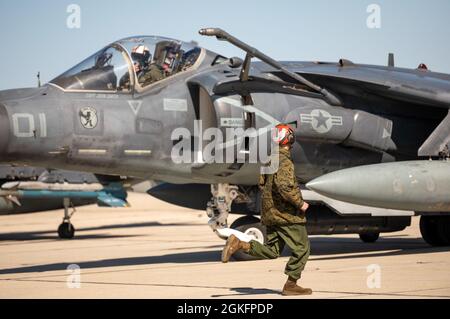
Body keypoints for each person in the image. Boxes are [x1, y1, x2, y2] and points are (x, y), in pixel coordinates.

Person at [222, 124, 312, 296]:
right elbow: (284, 186)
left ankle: (240, 244)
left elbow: (262, 184)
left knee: (272, 251)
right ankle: (291, 284)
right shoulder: (285, 160)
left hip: (270, 213)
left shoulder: (269, 159)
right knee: (302, 248)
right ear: (290, 139)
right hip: (286, 214)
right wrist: (300, 203)